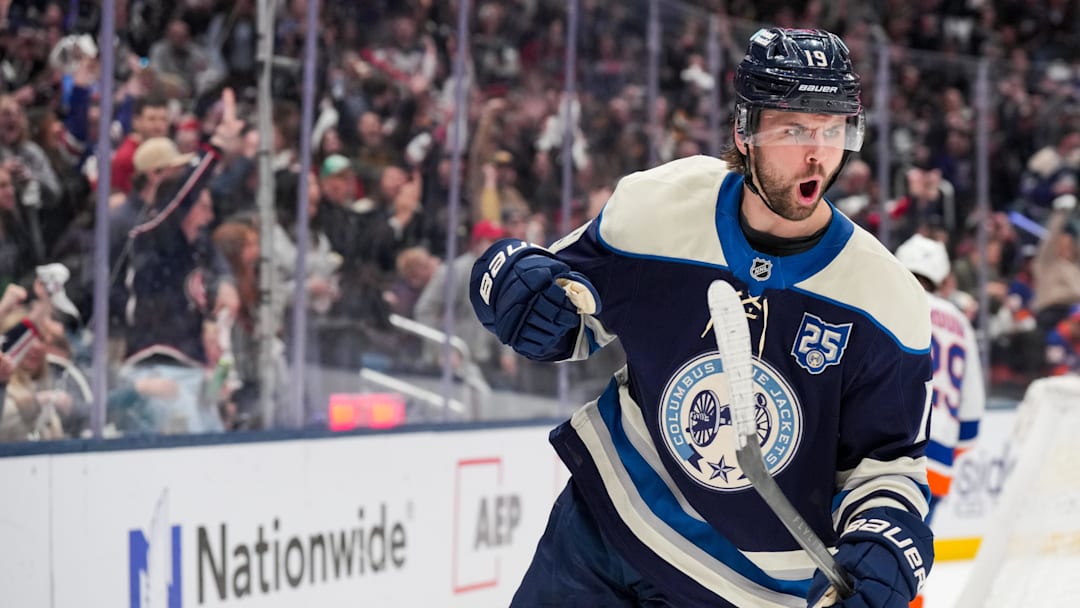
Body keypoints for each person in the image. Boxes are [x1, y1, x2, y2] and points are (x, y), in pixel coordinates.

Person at [470, 28, 934, 607]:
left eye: (832, 129)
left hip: (745, 591)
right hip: (603, 532)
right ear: (745, 131)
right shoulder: (659, 206)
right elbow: (562, 310)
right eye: (793, 129)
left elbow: (888, 471)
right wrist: (509, 285)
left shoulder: (886, 299)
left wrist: (887, 547)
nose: (818, 152)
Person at [895, 234, 985, 522]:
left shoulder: (890, 303)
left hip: (891, 441)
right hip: (940, 448)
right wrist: (956, 447)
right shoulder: (959, 321)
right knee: (909, 550)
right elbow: (972, 401)